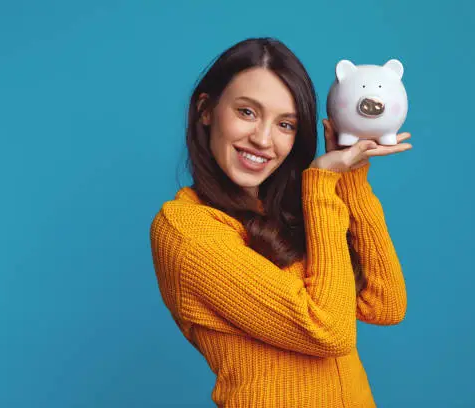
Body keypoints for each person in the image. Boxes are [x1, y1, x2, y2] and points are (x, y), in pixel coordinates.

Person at [149, 37, 411, 407]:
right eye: (247, 112)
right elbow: (330, 332)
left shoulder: (290, 213)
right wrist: (321, 184)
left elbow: (385, 304)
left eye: (285, 124)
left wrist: (350, 175)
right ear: (206, 110)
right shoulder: (185, 230)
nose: (262, 140)